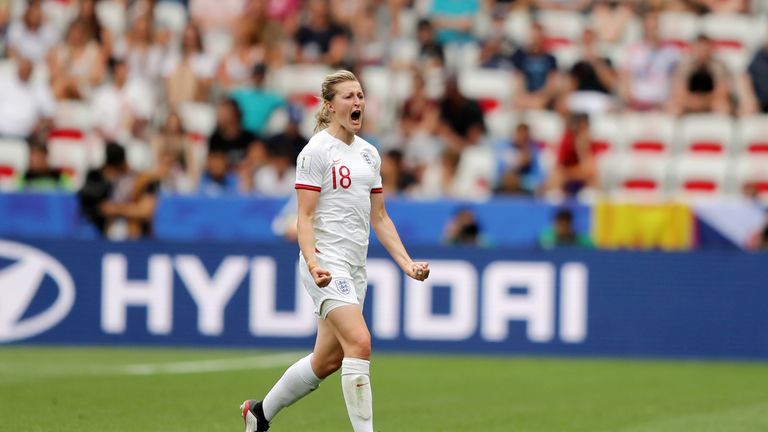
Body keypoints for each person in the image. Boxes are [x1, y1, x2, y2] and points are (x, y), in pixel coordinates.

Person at [240, 70, 430, 432]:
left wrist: (406, 263)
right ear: (329, 106)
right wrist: (312, 261)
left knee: (326, 361)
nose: (357, 102)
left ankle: (259, 413)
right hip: (326, 261)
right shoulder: (315, 152)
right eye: (349, 96)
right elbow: (305, 216)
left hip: (355, 268)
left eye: (360, 95)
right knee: (360, 342)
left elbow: (381, 218)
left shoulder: (370, 155)